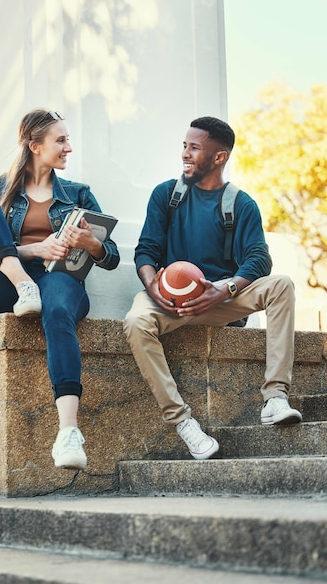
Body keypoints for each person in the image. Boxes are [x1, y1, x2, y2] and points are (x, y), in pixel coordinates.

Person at [123, 116, 302, 460]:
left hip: (220, 299)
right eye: (184, 145)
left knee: (282, 285)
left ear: (218, 157)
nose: (185, 153)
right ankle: (183, 422)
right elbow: (145, 250)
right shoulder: (166, 195)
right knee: (134, 322)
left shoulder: (242, 204)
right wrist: (152, 285)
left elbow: (259, 259)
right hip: (168, 301)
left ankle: (275, 397)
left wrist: (227, 290)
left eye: (194, 147)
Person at [0, 108, 120, 470]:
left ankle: (68, 432)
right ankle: (25, 287)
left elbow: (109, 257)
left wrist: (89, 242)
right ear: (35, 146)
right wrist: (35, 249)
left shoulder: (79, 194)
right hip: (8, 285)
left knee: (59, 307)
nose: (69, 147)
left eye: (68, 139)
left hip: (58, 279)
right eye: (60, 140)